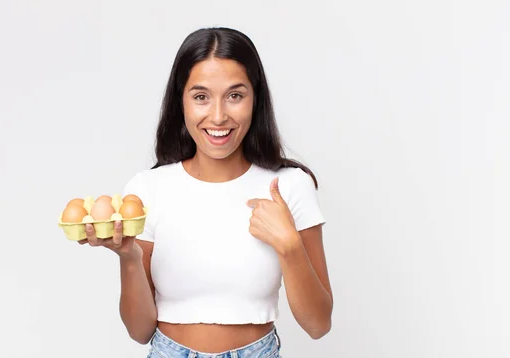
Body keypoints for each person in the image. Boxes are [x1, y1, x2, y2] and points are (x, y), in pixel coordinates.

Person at [79, 27, 333, 357]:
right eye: (201, 97)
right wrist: (129, 257)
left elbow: (318, 325)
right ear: (180, 101)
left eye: (235, 96)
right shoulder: (147, 190)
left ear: (255, 99)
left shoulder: (289, 186)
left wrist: (289, 246)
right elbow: (140, 331)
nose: (218, 116)